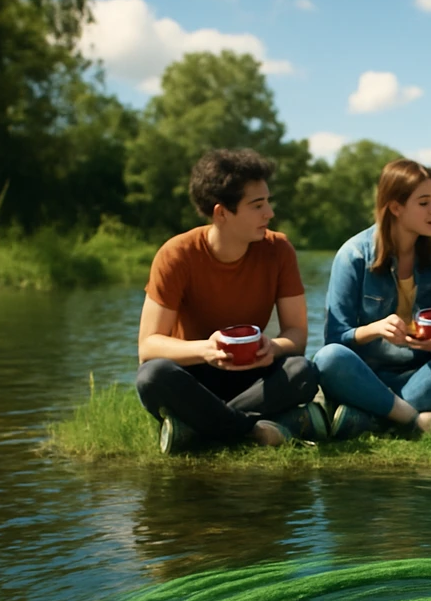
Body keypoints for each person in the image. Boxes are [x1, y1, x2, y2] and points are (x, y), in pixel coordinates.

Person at [135, 148, 324, 454]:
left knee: (302, 370)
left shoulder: (279, 250)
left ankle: (198, 427)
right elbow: (149, 346)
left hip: (251, 376)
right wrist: (205, 350)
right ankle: (251, 430)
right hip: (195, 375)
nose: (269, 213)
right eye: (257, 205)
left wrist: (273, 348)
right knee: (153, 376)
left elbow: (297, 335)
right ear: (221, 213)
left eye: (268, 202)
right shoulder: (176, 254)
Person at [314, 159, 431, 439]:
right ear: (395, 207)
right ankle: (416, 419)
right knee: (328, 359)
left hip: (420, 374)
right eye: (424, 202)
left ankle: (374, 415)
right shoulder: (353, 255)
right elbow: (335, 337)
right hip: (365, 375)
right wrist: (375, 329)